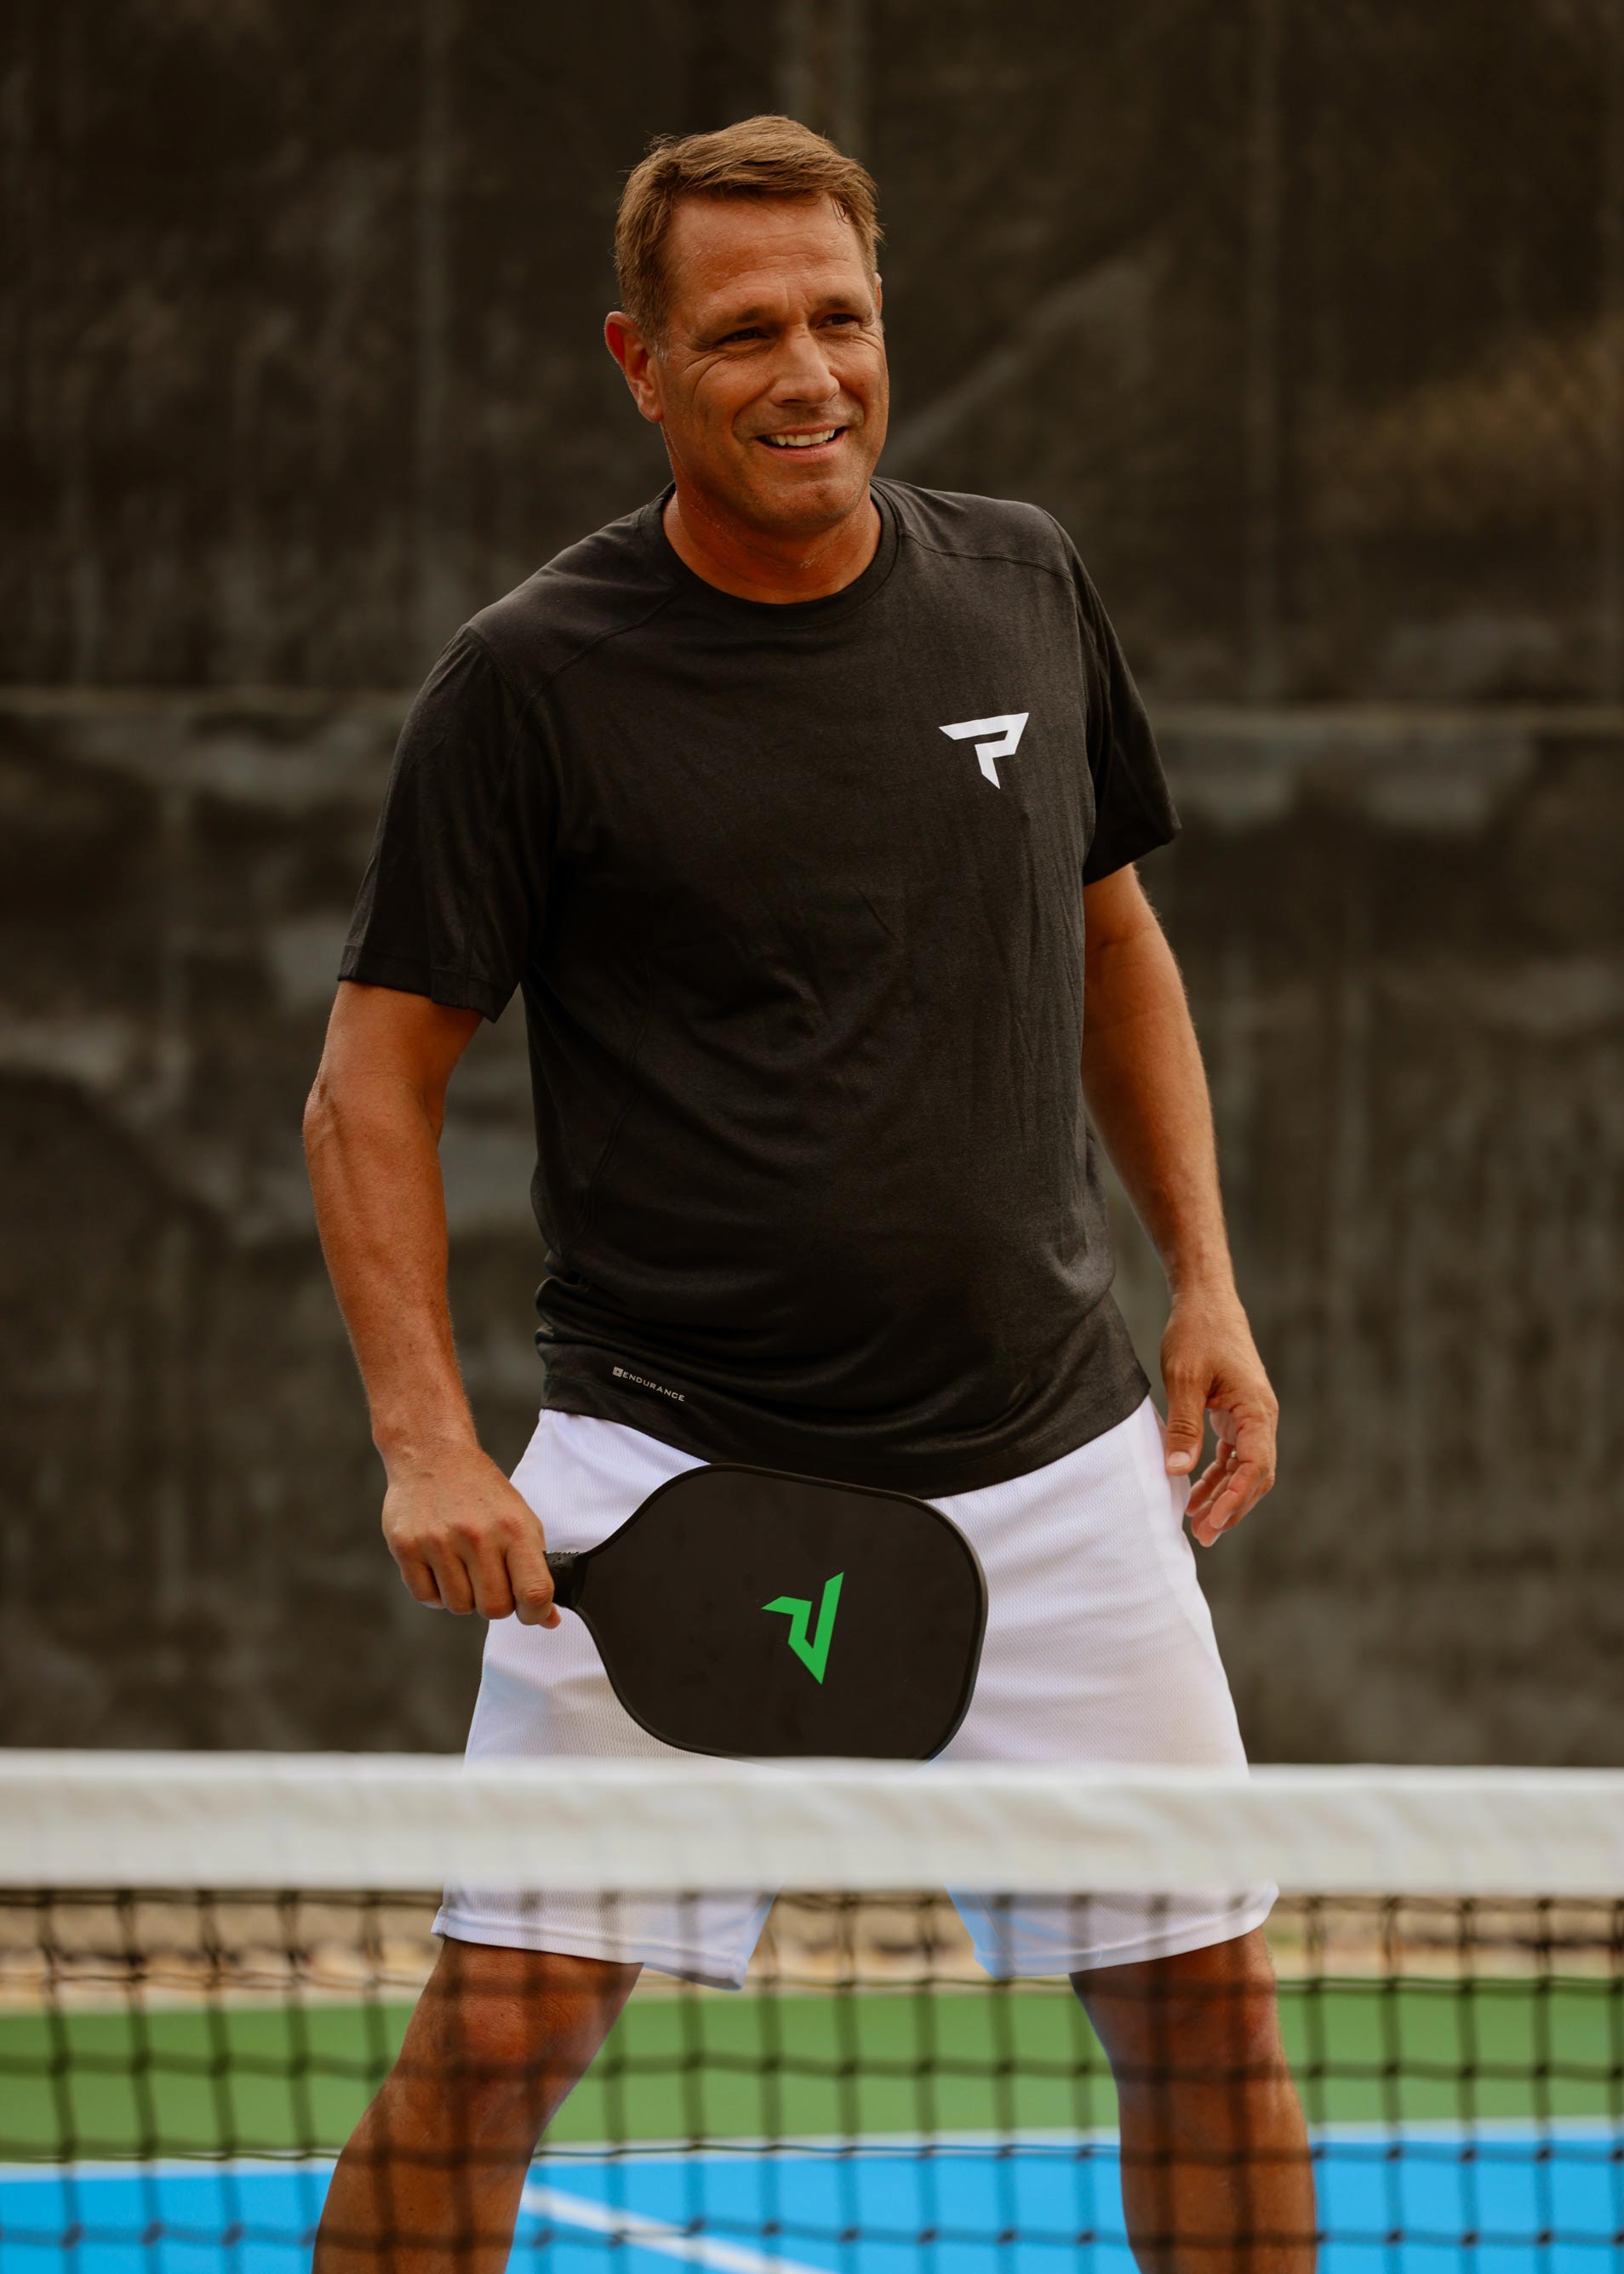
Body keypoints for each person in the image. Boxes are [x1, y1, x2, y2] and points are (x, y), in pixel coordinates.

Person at [305, 115, 1313, 2274]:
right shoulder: (529, 679)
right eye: (744, 328)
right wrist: (424, 1440)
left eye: (839, 318)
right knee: (488, 2054)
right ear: (640, 362)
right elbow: (368, 1085)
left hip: (1056, 1474)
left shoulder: (1023, 582)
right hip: (673, 1487)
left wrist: (1208, 1285)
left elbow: (1114, 942)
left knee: (1212, 2033)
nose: (808, 372)